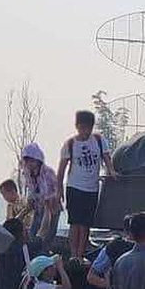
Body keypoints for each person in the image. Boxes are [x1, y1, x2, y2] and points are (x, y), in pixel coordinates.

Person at [57, 109, 118, 259]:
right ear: (77, 126)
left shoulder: (98, 139)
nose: (85, 131)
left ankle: (80, 254)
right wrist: (59, 190)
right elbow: (62, 169)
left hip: (92, 188)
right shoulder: (70, 144)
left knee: (85, 224)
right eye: (82, 128)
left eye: (88, 128)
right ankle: (73, 255)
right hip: (74, 186)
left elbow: (106, 157)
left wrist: (111, 170)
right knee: (75, 223)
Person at [21, 143, 61, 241]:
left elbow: (56, 190)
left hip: (51, 207)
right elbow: (31, 191)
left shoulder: (48, 172)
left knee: (46, 237)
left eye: (32, 160)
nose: (29, 163)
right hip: (38, 207)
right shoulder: (27, 174)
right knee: (32, 234)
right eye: (27, 160)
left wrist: (50, 202)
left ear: (38, 160)